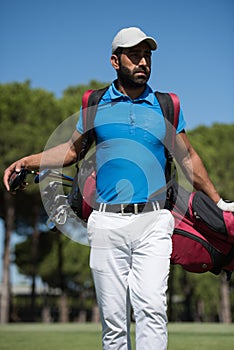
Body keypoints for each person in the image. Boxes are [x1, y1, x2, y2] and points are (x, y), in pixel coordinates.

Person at [4, 27, 234, 349]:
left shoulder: (167, 105)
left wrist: (218, 202)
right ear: (115, 61)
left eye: (148, 56)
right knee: (113, 323)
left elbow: (188, 158)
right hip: (106, 223)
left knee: (152, 309)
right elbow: (71, 153)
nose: (143, 62)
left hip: (154, 221)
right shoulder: (95, 102)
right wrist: (27, 161)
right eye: (135, 55)